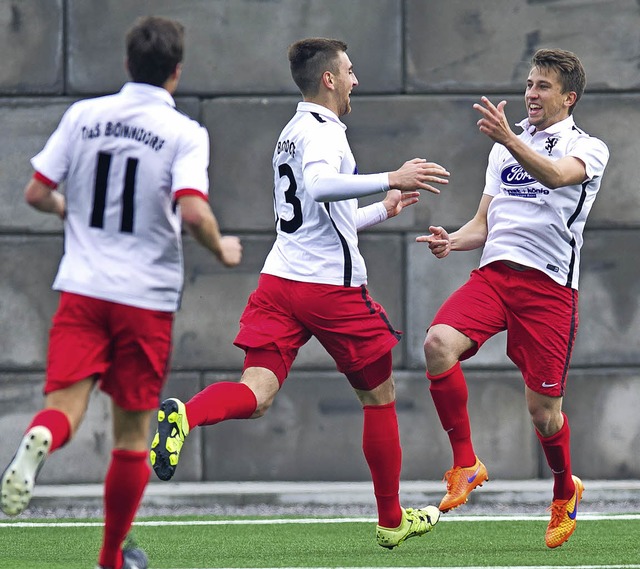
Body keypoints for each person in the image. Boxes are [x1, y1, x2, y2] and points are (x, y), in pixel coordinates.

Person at [150, 37, 450, 549]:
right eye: (350, 71)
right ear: (329, 79)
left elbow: (320, 215)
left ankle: (184, 414)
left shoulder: (291, 131)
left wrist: (384, 208)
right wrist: (388, 178)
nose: (357, 79)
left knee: (258, 393)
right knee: (379, 396)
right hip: (327, 289)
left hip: (280, 282)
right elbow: (318, 186)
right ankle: (391, 519)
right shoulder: (323, 134)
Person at [0, 16, 242, 569]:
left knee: (63, 408)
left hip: (82, 288)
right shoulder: (183, 132)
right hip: (144, 297)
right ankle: (112, 559)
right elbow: (193, 208)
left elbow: (37, 190)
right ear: (175, 73)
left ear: (127, 65)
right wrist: (220, 248)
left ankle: (39, 438)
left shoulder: (83, 116)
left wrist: (69, 210)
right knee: (133, 433)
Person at [416, 48, 609, 548]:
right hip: (494, 278)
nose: (531, 94)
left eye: (542, 86)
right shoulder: (506, 146)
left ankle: (565, 489)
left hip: (549, 289)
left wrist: (508, 138)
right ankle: (465, 462)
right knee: (437, 344)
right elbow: (483, 223)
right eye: (528, 84)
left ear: (569, 98)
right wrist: (451, 241)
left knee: (544, 414)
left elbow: (557, 175)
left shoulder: (588, 147)